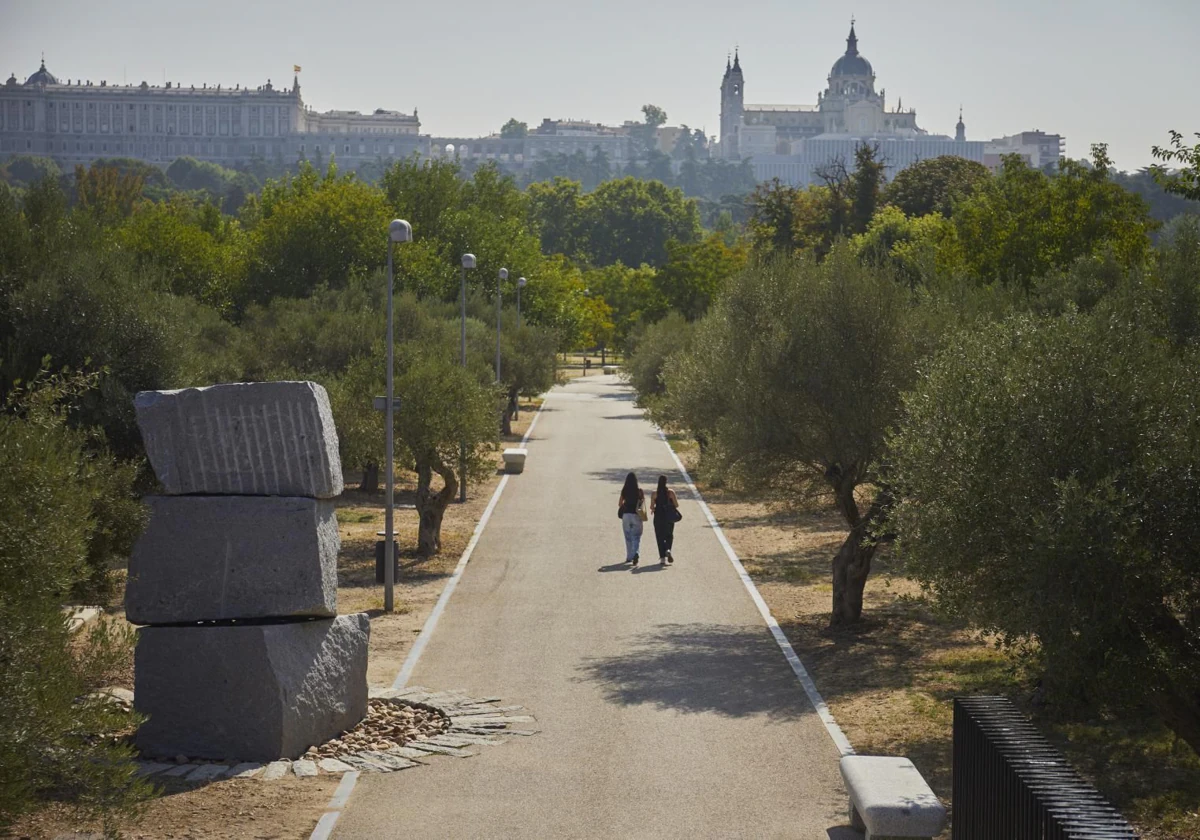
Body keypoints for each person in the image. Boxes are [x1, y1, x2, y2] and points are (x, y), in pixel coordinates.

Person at [650, 474, 680, 565]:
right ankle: (668, 549)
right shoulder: (670, 492)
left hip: (658, 517)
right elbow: (676, 505)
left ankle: (662, 558)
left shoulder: (654, 493)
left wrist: (654, 507)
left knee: (659, 536)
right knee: (669, 535)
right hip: (669, 517)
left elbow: (652, 507)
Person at [617, 472, 645, 567]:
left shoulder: (624, 490)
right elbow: (642, 503)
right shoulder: (639, 491)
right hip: (636, 515)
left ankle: (629, 557)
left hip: (626, 515)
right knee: (636, 536)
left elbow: (620, 503)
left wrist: (625, 504)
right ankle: (636, 553)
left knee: (627, 536)